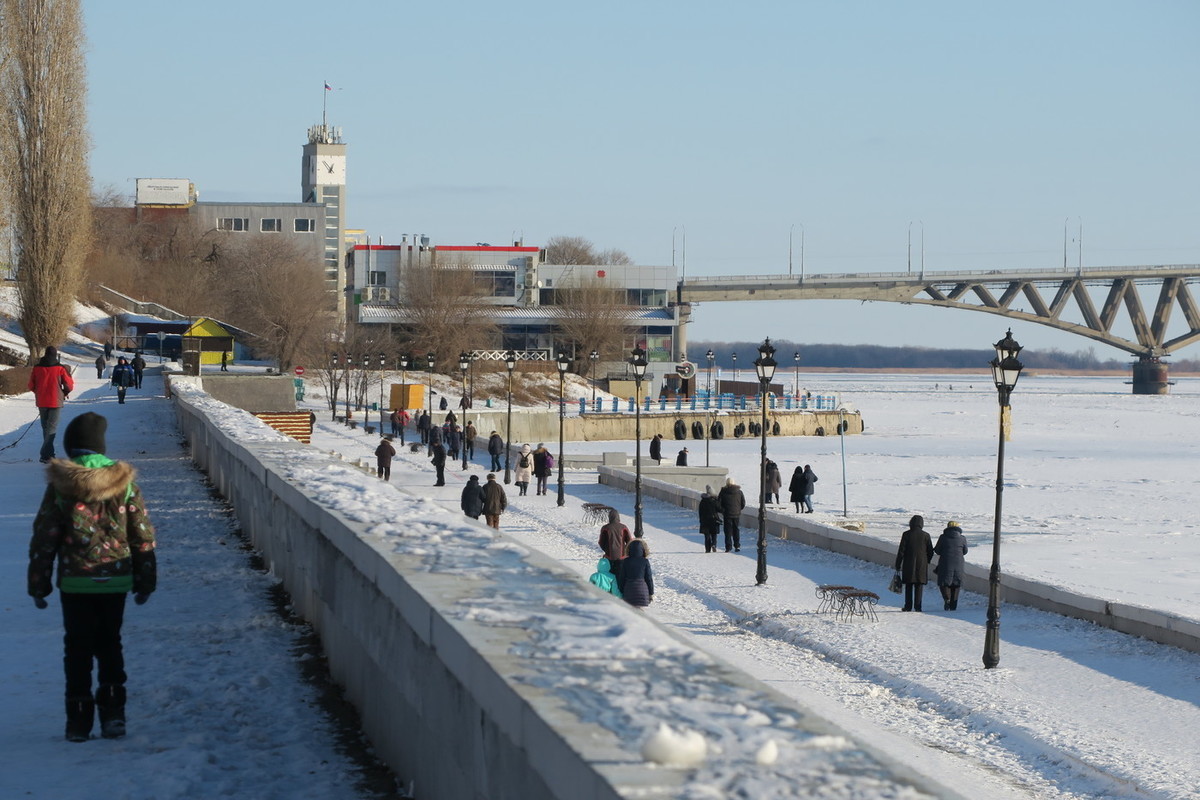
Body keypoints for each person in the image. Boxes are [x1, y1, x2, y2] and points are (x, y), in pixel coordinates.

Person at [28, 412, 157, 741]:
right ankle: (114, 715)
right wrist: (145, 580)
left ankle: (78, 721)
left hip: (75, 581)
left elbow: (45, 540)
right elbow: (142, 536)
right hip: (115, 580)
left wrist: (39, 585)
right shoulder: (125, 485)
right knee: (110, 642)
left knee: (77, 647)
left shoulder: (60, 486)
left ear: (71, 449)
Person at [28, 346, 75, 463]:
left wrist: (39, 393)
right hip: (55, 401)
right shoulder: (60, 368)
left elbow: (31, 385)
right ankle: (45, 455)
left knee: (45, 428)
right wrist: (64, 393)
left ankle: (48, 455)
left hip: (41, 401)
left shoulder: (37, 368)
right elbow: (69, 385)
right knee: (52, 428)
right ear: (55, 355)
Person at [895, 514, 934, 612]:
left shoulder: (906, 534)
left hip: (908, 563)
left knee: (908, 585)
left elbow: (901, 551)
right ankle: (918, 606)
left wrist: (898, 564)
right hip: (921, 564)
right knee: (919, 585)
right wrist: (927, 560)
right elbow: (930, 551)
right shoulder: (926, 535)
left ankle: (908, 606)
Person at [934, 520, 969, 611]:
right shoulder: (962, 538)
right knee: (956, 583)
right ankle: (953, 606)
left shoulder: (943, 537)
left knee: (944, 582)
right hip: (959, 564)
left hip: (945, 563)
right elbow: (965, 551)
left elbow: (937, 550)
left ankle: (947, 599)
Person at [616, 539, 654, 608]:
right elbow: (648, 578)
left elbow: (622, 577)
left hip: (629, 590)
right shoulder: (645, 561)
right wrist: (651, 593)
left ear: (629, 549)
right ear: (643, 550)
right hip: (642, 591)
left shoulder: (626, 561)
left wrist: (621, 590)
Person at [598, 508, 632, 576]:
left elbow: (601, 542)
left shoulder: (605, 528)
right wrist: (626, 551)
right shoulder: (623, 527)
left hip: (609, 556)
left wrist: (606, 550)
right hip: (621, 556)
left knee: (610, 575)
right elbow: (629, 541)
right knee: (620, 576)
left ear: (609, 517)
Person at [717, 477, 746, 552]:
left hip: (727, 514)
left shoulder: (723, 492)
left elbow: (718, 503)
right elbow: (743, 503)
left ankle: (728, 547)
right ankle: (737, 545)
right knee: (736, 529)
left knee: (727, 531)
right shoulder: (739, 492)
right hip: (736, 514)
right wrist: (738, 509)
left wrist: (723, 510)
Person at [697, 485, 723, 553]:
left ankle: (707, 549)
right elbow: (720, 509)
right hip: (713, 520)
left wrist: (701, 520)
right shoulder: (714, 501)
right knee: (714, 534)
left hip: (704, 520)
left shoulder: (702, 501)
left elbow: (700, 512)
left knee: (707, 535)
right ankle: (714, 544)